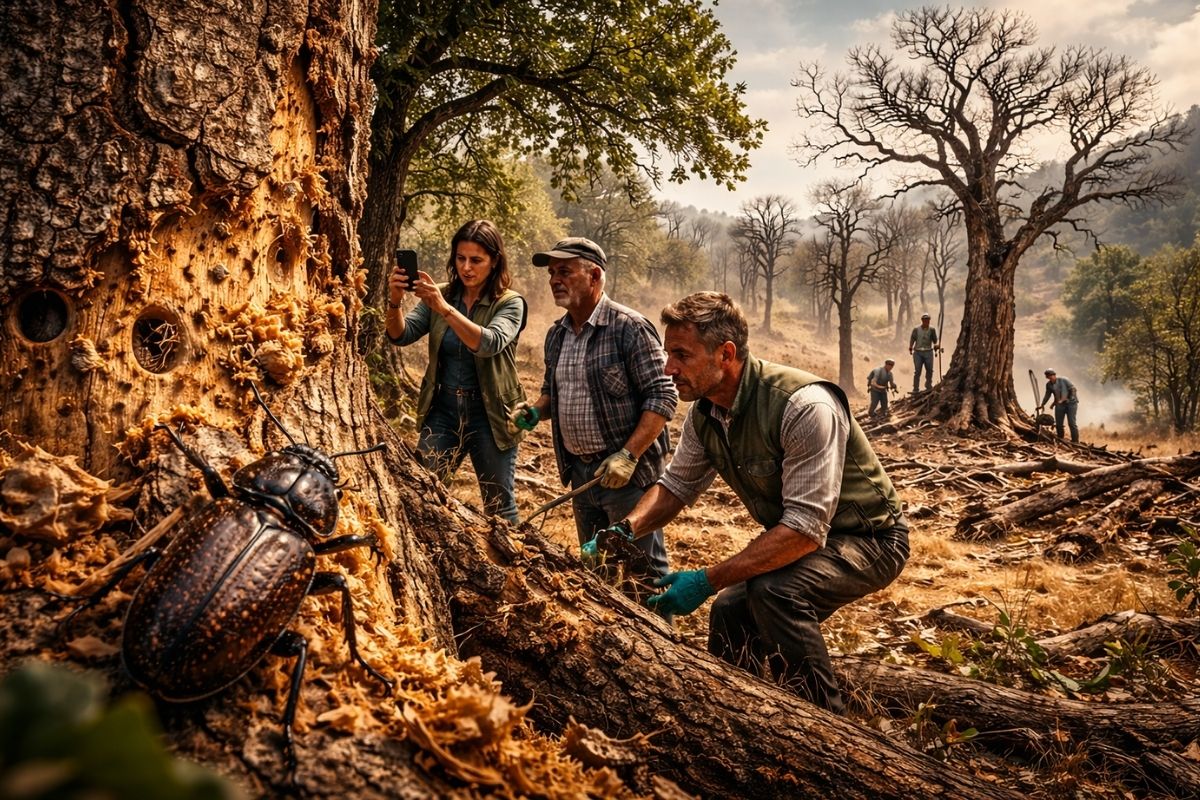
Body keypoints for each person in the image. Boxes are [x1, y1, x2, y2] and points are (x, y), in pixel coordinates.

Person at [597, 291, 908, 714]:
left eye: (681, 355)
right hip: (810, 537)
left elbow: (803, 529)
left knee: (776, 594)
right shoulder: (706, 412)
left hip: (870, 541)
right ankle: (732, 717)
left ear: (725, 354)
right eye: (668, 354)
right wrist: (624, 530)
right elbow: (675, 487)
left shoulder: (804, 406)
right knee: (729, 609)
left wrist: (707, 578)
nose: (668, 369)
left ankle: (828, 727)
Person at [508, 237, 678, 595]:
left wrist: (628, 455)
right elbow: (552, 393)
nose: (555, 279)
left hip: (625, 478)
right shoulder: (557, 334)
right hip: (582, 476)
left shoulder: (628, 328)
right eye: (552, 273)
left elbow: (663, 395)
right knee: (598, 572)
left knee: (642, 575)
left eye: (565, 271)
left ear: (594, 275)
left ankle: (659, 643)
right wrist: (534, 411)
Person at [385, 219, 527, 523]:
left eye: (476, 260)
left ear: (494, 261)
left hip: (491, 414)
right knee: (420, 490)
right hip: (444, 410)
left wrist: (444, 309)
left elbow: (489, 342)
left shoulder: (510, 303)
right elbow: (400, 335)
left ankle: (513, 564)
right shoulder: (443, 294)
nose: (467, 268)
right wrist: (395, 299)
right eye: (460, 259)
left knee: (499, 506)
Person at [1040, 369, 1079, 443]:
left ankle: (1075, 441)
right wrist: (1042, 404)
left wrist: (1068, 398)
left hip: (1071, 403)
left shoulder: (1063, 380)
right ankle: (1060, 439)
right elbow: (1047, 395)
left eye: (1051, 376)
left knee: (1072, 423)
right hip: (1060, 404)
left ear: (1054, 375)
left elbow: (1073, 389)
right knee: (1058, 424)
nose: (1050, 378)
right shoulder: (1049, 385)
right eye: (1048, 376)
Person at [909, 313, 939, 393]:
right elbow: (912, 338)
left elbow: (935, 340)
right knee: (917, 371)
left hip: (928, 352)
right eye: (925, 320)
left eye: (928, 320)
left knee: (929, 370)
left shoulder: (932, 330)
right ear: (922, 321)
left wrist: (936, 345)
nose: (927, 322)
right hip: (918, 352)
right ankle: (915, 388)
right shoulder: (916, 329)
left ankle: (928, 385)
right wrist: (910, 347)